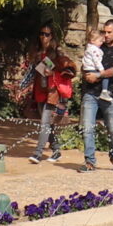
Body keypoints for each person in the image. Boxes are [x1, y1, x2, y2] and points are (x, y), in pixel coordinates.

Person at [18, 28, 75, 164]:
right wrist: (21, 88)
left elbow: (68, 69)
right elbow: (32, 73)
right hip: (40, 91)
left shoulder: (56, 53)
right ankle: (56, 150)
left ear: (52, 36)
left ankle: (38, 153)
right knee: (49, 124)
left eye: (47, 34)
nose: (43, 37)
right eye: (41, 33)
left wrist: (53, 72)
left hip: (52, 93)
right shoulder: (38, 54)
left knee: (44, 123)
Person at [78, 19, 113, 171]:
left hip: (110, 94)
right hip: (91, 93)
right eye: (104, 32)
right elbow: (85, 64)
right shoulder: (96, 45)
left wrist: (98, 76)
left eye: (109, 32)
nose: (106, 35)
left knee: (112, 129)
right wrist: (85, 73)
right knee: (87, 127)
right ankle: (90, 161)